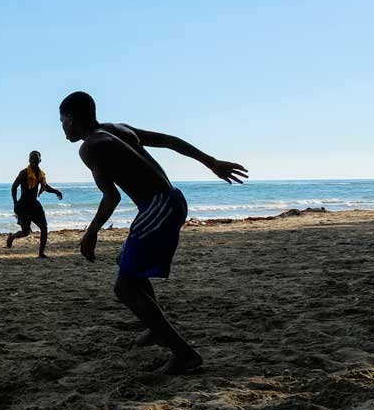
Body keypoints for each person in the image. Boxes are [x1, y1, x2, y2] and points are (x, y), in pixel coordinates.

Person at [59, 91, 247, 375]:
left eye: (62, 121)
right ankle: (155, 329)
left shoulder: (90, 147)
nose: (62, 128)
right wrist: (211, 162)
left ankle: (183, 354)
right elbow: (170, 142)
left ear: (71, 119)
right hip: (171, 199)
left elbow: (111, 197)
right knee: (129, 265)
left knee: (124, 287)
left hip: (157, 208)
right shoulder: (118, 129)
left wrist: (91, 232)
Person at [7, 150, 64, 258]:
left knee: (44, 227)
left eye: (36, 158)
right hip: (24, 205)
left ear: (40, 160)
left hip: (35, 204)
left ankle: (41, 253)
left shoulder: (40, 173)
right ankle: (12, 237)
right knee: (25, 232)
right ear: (29, 160)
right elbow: (14, 187)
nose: (34, 160)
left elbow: (45, 186)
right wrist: (15, 203)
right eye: (32, 158)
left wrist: (56, 191)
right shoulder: (24, 173)